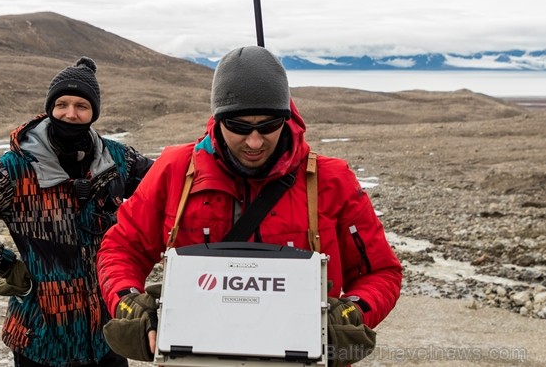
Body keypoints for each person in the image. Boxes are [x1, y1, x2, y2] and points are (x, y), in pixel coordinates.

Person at [96, 46, 402, 367]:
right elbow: (121, 248)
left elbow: (381, 272)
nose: (254, 142)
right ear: (217, 120)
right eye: (239, 127)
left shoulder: (331, 179)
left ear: (287, 117)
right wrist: (129, 303)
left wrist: (352, 313)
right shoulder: (174, 170)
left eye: (269, 125)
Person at [0, 57, 153, 367]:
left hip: (107, 335)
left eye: (81, 106)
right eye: (62, 104)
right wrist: (5, 265)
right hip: (41, 338)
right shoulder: (14, 169)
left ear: (93, 112)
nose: (70, 113)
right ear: (50, 108)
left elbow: (166, 191)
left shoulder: (117, 159)